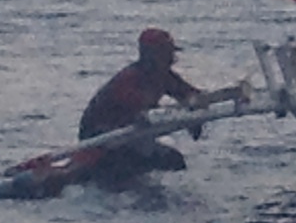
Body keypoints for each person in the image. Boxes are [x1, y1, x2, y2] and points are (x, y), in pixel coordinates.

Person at [78, 27, 207, 174]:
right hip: (100, 136)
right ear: (151, 56)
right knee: (157, 161)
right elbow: (141, 114)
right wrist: (183, 117)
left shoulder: (164, 76)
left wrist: (194, 108)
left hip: (130, 136)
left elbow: (188, 93)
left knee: (173, 160)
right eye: (166, 54)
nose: (171, 59)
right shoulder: (129, 80)